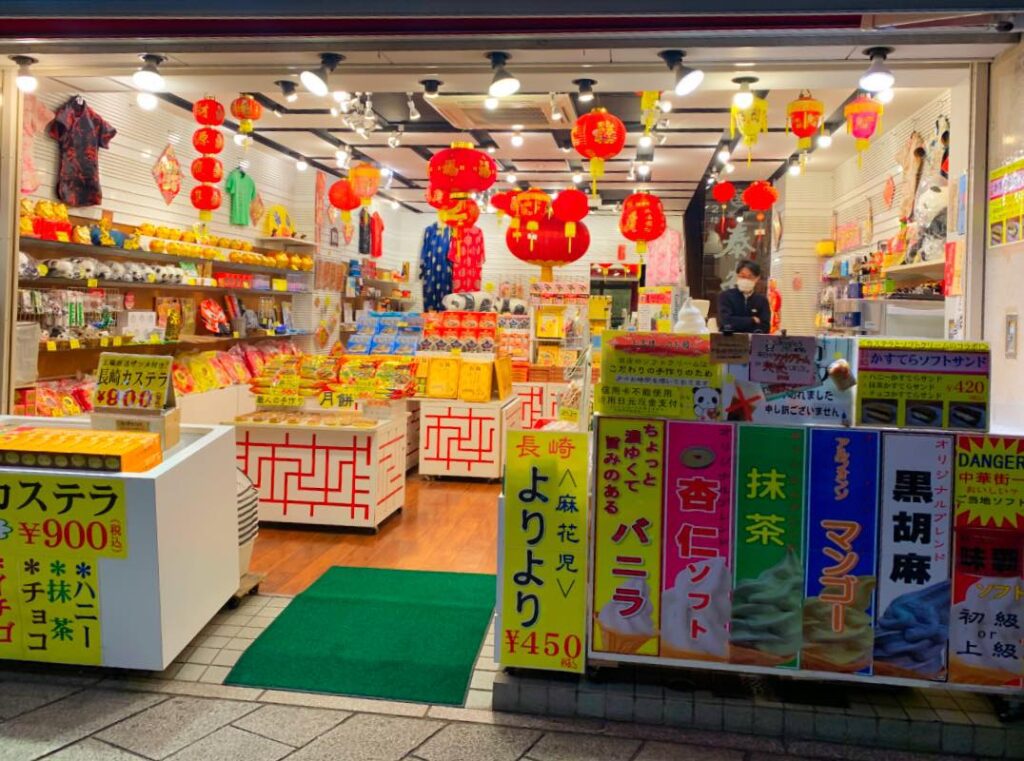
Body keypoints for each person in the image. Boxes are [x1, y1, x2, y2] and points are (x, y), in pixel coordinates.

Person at [718, 260, 771, 334]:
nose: (745, 280)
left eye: (750, 277)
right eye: (742, 276)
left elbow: (765, 327)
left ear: (757, 278)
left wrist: (737, 322)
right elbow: (726, 322)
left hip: (753, 341)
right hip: (729, 341)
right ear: (737, 276)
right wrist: (752, 320)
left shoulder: (762, 300)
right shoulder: (726, 296)